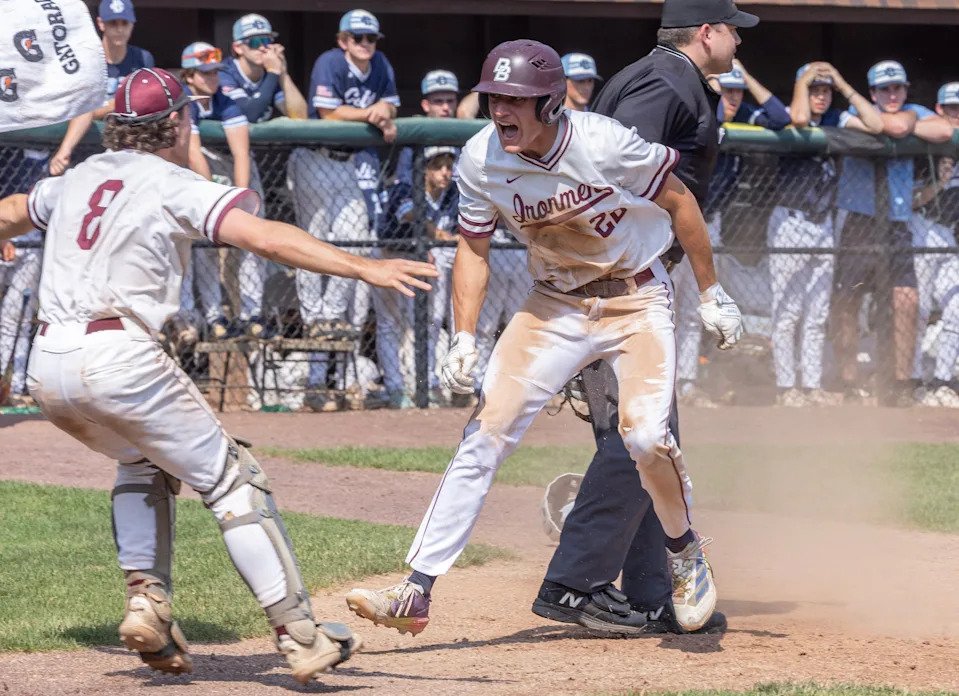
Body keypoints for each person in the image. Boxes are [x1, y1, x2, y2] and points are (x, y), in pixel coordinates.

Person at [0, 67, 435, 683]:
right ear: (177, 123)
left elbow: (13, 210)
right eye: (189, 118)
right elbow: (266, 238)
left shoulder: (77, 179)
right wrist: (362, 266)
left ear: (117, 127)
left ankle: (147, 604)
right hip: (118, 356)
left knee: (143, 461)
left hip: (47, 365)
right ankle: (301, 635)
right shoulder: (172, 182)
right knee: (235, 482)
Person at [344, 39, 744, 637]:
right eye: (494, 97)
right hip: (553, 303)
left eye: (516, 99)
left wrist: (711, 293)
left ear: (552, 103)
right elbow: (473, 249)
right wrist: (463, 337)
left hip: (636, 297)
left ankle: (685, 553)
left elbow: (680, 201)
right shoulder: (481, 158)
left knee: (645, 437)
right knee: (484, 434)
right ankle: (416, 590)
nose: (501, 110)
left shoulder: (604, 142)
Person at [536, 0, 758, 638]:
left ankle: (653, 591)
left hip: (625, 279)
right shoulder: (662, 83)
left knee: (650, 440)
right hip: (614, 285)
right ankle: (573, 582)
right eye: (733, 30)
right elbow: (605, 178)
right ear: (707, 32)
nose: (739, 42)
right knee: (642, 437)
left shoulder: (668, 77)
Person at [287, 8, 400, 410]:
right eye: (358, 38)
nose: (365, 44)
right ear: (343, 40)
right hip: (315, 158)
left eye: (371, 38)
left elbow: (391, 105)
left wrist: (384, 111)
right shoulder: (330, 62)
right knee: (312, 243)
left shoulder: (380, 64)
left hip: (348, 162)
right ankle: (314, 315)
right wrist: (371, 113)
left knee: (357, 238)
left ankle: (330, 313)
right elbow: (327, 112)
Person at [674, 57, 790, 407]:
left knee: (693, 309)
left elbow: (780, 119)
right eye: (728, 90)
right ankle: (665, 384)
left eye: (738, 91)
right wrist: (713, 86)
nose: (734, 97)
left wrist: (745, 75)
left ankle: (686, 383)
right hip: (672, 220)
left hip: (710, 223)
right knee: (663, 306)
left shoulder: (742, 116)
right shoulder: (697, 113)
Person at [835, 60, 953, 405]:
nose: (891, 94)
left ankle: (902, 384)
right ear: (872, 93)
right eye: (884, 89)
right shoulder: (855, 111)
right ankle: (847, 383)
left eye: (897, 88)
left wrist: (907, 119)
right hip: (859, 220)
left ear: (905, 89)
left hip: (898, 223)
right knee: (848, 301)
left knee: (906, 301)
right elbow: (892, 126)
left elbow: (944, 131)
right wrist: (903, 125)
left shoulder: (912, 110)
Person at [767, 62, 882, 407]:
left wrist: (842, 84)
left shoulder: (835, 118)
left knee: (817, 314)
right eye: (814, 90)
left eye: (825, 91)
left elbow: (876, 125)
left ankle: (812, 385)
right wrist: (802, 81)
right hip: (791, 221)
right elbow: (801, 119)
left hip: (823, 223)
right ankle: (786, 387)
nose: (821, 96)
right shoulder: (788, 116)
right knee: (788, 311)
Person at [373, 146, 459, 408]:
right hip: (388, 256)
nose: (445, 172)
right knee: (390, 323)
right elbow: (410, 214)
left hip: (417, 260)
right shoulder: (405, 188)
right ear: (424, 169)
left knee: (425, 322)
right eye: (437, 166)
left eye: (448, 166)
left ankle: (425, 383)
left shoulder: (451, 194)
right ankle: (395, 388)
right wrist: (438, 235)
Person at [49, 0, 154, 176]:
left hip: (128, 144)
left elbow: (145, 105)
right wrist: (114, 106)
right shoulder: (86, 57)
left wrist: (106, 108)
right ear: (101, 23)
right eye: (113, 23)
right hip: (85, 143)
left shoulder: (143, 58)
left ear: (132, 24)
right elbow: (80, 107)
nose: (119, 29)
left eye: (124, 23)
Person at [910, 82, 959, 407]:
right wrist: (939, 183)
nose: (958, 115)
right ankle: (914, 380)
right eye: (953, 108)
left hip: (948, 235)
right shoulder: (923, 145)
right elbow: (911, 201)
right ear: (940, 110)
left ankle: (944, 380)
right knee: (921, 309)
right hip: (921, 228)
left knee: (956, 308)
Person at [0, 148, 47, 407]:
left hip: (31, 243)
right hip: (4, 232)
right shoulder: (9, 149)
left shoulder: (58, 158)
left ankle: (14, 385)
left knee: (16, 319)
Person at [220, 14, 308, 123]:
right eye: (254, 42)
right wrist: (273, 72)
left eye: (266, 41)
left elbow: (300, 117)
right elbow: (248, 116)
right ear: (238, 48)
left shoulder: (271, 70)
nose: (262, 47)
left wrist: (283, 73)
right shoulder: (225, 72)